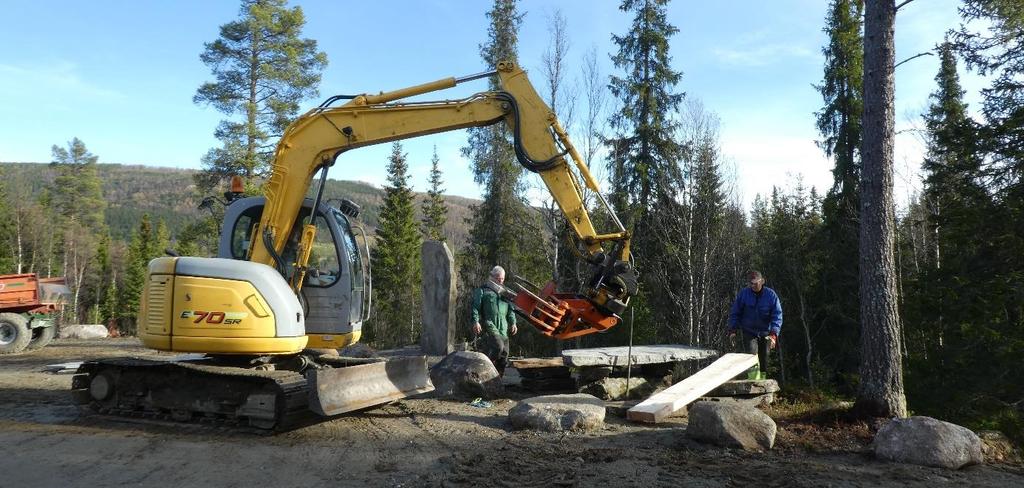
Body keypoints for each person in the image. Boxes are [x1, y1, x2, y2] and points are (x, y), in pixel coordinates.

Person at [727, 270, 782, 380]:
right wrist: (733, 330)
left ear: (762, 281)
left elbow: (777, 315)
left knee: (764, 359)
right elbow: (735, 312)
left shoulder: (771, 295)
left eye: (755, 283)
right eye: (750, 283)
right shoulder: (744, 294)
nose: (753, 286)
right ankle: (753, 382)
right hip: (749, 332)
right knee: (751, 357)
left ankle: (762, 382)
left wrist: (774, 334)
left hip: (766, 332)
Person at [471, 265, 518, 375]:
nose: (500, 281)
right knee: (498, 347)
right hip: (490, 323)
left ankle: (497, 380)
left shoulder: (505, 292)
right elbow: (475, 307)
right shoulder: (483, 290)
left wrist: (513, 323)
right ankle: (482, 370)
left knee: (505, 354)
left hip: (504, 326)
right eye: (498, 278)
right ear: (492, 276)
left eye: (502, 278)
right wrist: (475, 321)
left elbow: (511, 309)